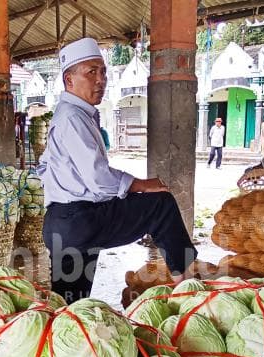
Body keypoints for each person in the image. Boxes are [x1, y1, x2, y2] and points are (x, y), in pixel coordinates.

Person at [38, 37, 197, 304]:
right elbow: (98, 178)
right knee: (160, 205)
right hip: (81, 219)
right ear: (69, 81)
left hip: (63, 224)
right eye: (91, 72)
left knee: (69, 304)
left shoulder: (70, 114)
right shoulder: (72, 118)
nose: (101, 80)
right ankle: (189, 288)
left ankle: (63, 337)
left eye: (103, 72)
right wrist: (140, 184)